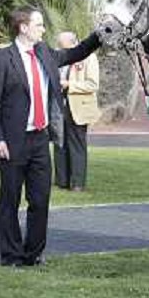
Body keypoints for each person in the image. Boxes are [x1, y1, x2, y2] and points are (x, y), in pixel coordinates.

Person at [0, 6, 102, 267]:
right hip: (12, 142)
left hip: (39, 139)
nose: (43, 29)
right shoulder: (3, 59)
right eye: (38, 25)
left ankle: (33, 253)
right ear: (23, 27)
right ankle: (12, 255)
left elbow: (74, 53)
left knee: (40, 199)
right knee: (10, 200)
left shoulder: (44, 53)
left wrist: (98, 36)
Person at [53, 31, 101, 192]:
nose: (60, 49)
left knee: (76, 145)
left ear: (73, 43)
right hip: (59, 106)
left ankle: (77, 183)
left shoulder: (89, 58)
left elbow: (93, 85)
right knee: (60, 143)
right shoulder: (60, 57)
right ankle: (61, 180)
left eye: (62, 46)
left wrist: (69, 84)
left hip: (78, 107)